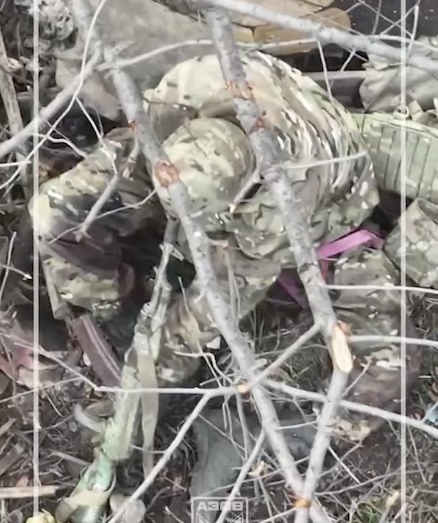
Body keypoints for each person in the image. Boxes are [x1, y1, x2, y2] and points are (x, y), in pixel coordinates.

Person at [30, 52, 421, 441]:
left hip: (329, 228)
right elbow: (141, 134)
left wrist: (143, 386)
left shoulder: (287, 199)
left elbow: (210, 311)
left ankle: (288, 438)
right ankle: (113, 309)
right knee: (56, 213)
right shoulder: (188, 89)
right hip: (200, 160)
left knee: (388, 367)